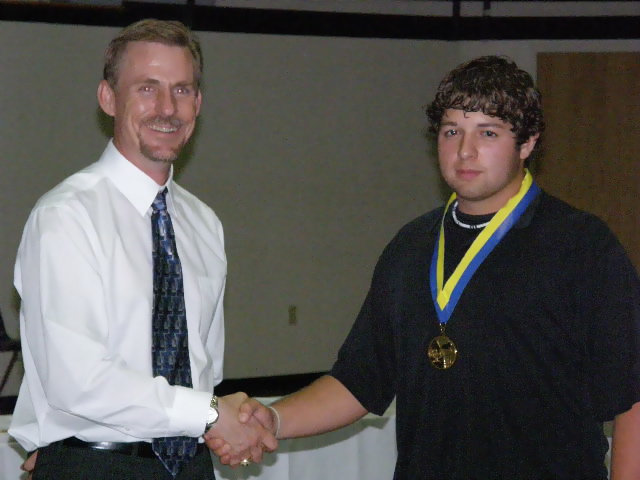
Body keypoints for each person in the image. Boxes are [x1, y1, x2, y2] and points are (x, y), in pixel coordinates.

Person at [211, 56, 640, 479]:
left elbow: (632, 399)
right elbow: (360, 381)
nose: (465, 151)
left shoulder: (580, 246)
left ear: (527, 143)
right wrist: (272, 420)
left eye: (487, 133)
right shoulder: (412, 246)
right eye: (452, 131)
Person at [9, 19, 275, 479]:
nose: (167, 108)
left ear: (199, 103)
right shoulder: (66, 217)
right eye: (147, 89)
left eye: (183, 90)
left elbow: (203, 370)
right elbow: (79, 383)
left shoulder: (203, 224)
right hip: (95, 465)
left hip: (190, 466)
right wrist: (211, 414)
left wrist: (222, 423)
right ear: (108, 99)